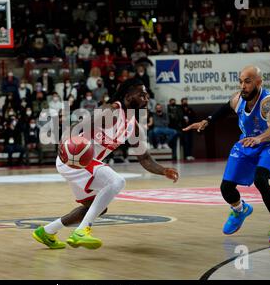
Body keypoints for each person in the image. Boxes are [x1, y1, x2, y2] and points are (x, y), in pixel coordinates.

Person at [32, 78, 179, 249]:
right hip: (74, 160)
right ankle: (82, 231)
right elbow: (76, 126)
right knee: (117, 182)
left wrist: (164, 170)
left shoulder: (133, 126)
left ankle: (47, 232)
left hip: (82, 165)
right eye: (142, 94)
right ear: (128, 95)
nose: (146, 98)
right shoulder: (111, 111)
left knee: (97, 208)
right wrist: (64, 143)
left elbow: (144, 158)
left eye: (147, 95)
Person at [183, 66, 270, 244]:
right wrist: (207, 121)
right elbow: (225, 109)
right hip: (248, 141)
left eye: (247, 81)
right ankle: (240, 210)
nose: (243, 85)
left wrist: (258, 139)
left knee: (260, 180)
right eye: (240, 81)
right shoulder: (238, 99)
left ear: (258, 82)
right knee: (226, 187)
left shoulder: (268, 102)